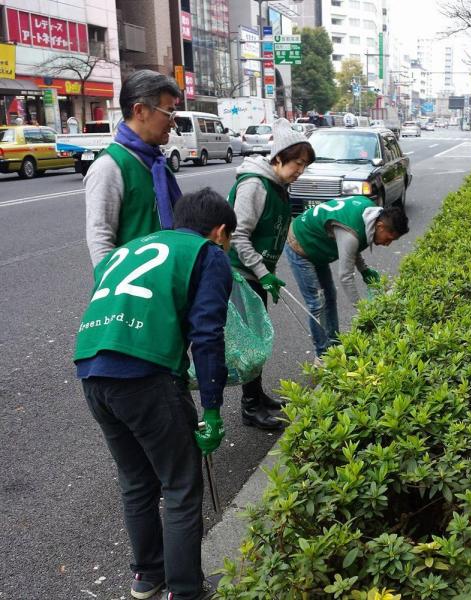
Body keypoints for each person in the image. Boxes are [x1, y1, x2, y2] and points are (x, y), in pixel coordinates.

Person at [74, 188, 235, 600]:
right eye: (228, 239)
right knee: (180, 485)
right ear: (219, 232)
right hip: (145, 374)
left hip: (92, 369)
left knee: (136, 481)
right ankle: (186, 591)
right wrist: (213, 409)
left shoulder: (130, 248)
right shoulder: (207, 253)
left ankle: (148, 576)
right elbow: (207, 335)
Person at [227, 118, 316, 430]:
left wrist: (268, 273)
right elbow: (238, 236)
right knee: (251, 342)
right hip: (239, 273)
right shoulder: (255, 184)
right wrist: (263, 273)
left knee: (259, 337)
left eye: (305, 165)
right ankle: (250, 408)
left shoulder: (279, 186)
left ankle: (257, 396)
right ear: (278, 158)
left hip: (256, 273)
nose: (300, 170)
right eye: (297, 163)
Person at [284, 197, 409, 360]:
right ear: (380, 226)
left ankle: (334, 345)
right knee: (316, 303)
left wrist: (364, 270)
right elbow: (345, 275)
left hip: (318, 245)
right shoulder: (351, 235)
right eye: (389, 238)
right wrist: (363, 310)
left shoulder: (369, 212)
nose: (388, 244)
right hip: (300, 244)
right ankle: (322, 356)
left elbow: (351, 245)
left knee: (330, 297)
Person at [84, 69, 182, 267]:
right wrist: (114, 288)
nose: (173, 123)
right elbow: (100, 241)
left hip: (165, 278)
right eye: (169, 113)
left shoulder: (157, 162)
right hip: (136, 288)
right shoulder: (109, 167)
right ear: (140, 111)